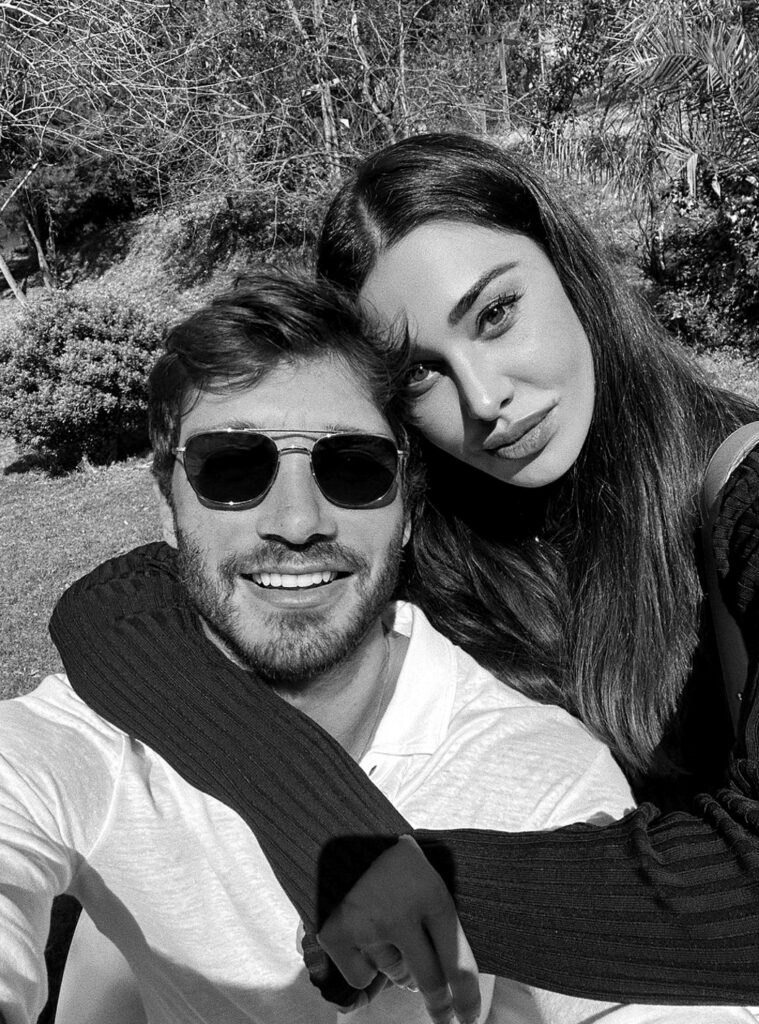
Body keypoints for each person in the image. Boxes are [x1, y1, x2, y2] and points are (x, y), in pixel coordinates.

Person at [46, 134, 759, 1018]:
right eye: (421, 371)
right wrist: (325, 823)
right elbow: (116, 608)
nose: (485, 399)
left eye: (495, 314)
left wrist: (412, 884)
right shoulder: (441, 531)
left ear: (571, 271)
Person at [2, 270, 649, 1024]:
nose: (297, 521)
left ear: (407, 512)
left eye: (353, 468)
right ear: (167, 502)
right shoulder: (94, 736)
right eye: (232, 467)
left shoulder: (543, 780)